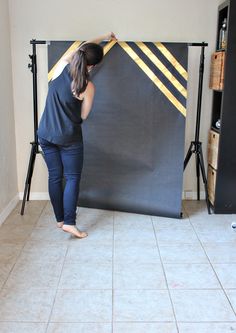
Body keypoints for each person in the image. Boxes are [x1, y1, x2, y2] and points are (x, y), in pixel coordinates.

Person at [37, 32, 117, 238]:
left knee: (55, 176)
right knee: (72, 178)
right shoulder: (87, 87)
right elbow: (83, 115)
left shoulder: (61, 67)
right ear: (93, 66)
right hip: (69, 138)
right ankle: (70, 223)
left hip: (45, 134)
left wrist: (104, 36)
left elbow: (84, 46)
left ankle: (60, 220)